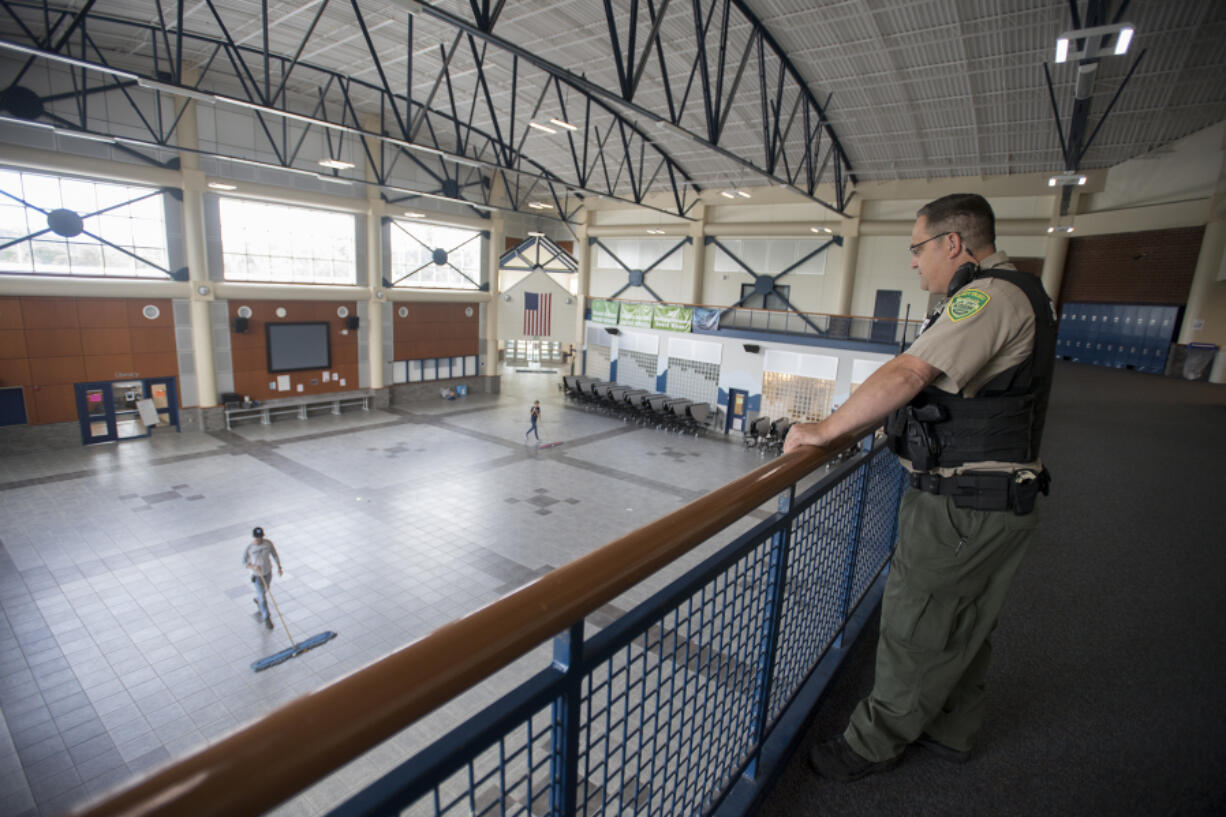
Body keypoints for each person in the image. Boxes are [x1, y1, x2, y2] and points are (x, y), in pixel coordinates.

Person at [783, 193, 1056, 781]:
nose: (914, 262)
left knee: (918, 624)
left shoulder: (987, 296)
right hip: (997, 499)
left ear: (952, 243)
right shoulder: (1020, 291)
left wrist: (826, 429)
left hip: (963, 506)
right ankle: (951, 729)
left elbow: (910, 372)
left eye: (917, 248)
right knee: (965, 622)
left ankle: (872, 743)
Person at [242, 526, 282, 630]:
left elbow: (274, 554)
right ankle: (267, 618)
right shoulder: (249, 548)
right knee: (263, 598)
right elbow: (244, 562)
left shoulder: (268, 543)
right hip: (257, 576)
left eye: (261, 537)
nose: (260, 539)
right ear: (254, 537)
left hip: (268, 573)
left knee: (265, 591)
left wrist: (279, 566)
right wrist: (253, 566)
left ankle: (258, 599)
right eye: (257, 537)